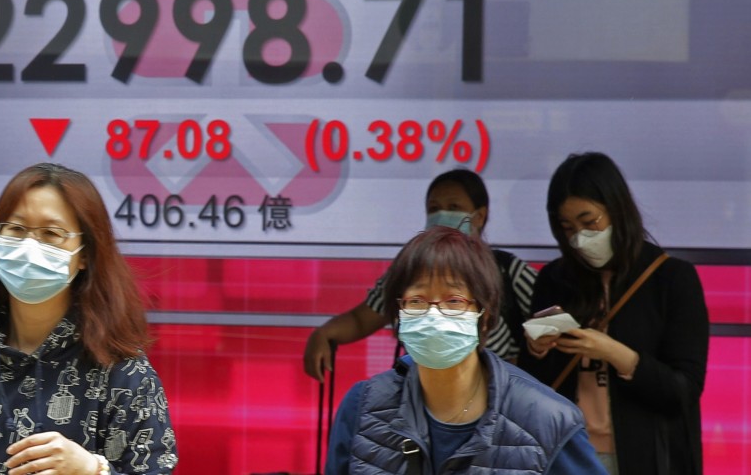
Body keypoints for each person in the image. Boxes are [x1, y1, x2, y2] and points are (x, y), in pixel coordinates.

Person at [0, 163, 178, 475]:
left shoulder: (122, 370)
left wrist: (93, 470)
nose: (30, 246)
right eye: (16, 230)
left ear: (84, 254)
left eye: (51, 233)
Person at [326, 226, 606, 475]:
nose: (433, 314)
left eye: (454, 300)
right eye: (417, 300)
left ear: (484, 315)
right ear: (399, 313)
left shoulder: (547, 419)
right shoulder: (362, 407)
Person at [520, 152, 709, 475]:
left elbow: (683, 391)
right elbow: (534, 387)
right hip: (570, 452)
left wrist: (616, 354)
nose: (579, 238)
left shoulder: (672, 278)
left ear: (618, 210)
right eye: (567, 227)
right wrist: (536, 349)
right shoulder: (555, 279)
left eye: (590, 221)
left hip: (647, 455)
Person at [304, 169, 537, 380]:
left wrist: (533, 353)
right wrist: (323, 334)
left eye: (453, 207)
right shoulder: (411, 268)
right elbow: (362, 318)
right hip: (424, 390)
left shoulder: (506, 270)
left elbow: (551, 320)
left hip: (497, 398)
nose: (436, 315)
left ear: (479, 216)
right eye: (434, 209)